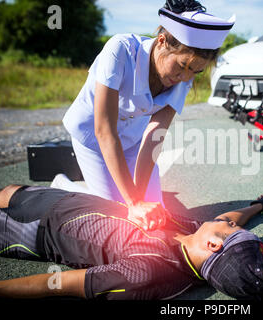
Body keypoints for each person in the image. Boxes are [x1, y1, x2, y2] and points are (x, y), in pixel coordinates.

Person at [60, 0, 235, 229]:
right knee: (118, 217)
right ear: (162, 41)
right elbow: (104, 131)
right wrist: (132, 203)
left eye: (195, 71)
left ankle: (114, 194)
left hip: (133, 141)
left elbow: (154, 137)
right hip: (92, 138)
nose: (185, 77)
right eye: (182, 65)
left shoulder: (184, 78)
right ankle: (63, 187)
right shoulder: (120, 49)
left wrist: (139, 199)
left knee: (156, 218)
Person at [0, 185, 263, 300]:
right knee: (2, 193)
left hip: (34, 228)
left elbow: (62, 283)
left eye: (229, 228)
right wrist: (257, 207)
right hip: (65, 199)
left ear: (214, 246)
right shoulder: (192, 236)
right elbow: (229, 218)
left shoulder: (149, 271)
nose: (227, 222)